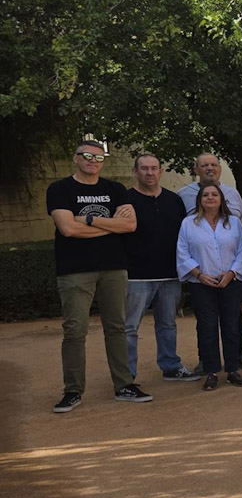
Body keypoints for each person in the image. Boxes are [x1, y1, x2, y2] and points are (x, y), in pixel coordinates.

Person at [47, 140, 149, 413]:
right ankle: (73, 391)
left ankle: (124, 385)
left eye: (99, 156)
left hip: (114, 268)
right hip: (74, 271)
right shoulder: (60, 189)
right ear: (76, 158)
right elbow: (67, 229)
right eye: (87, 155)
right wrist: (111, 226)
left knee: (116, 327)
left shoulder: (115, 189)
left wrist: (88, 220)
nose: (93, 160)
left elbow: (130, 225)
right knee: (75, 331)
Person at [177, 152, 242, 370]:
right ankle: (207, 362)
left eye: (213, 164)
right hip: (201, 274)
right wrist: (198, 273)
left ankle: (238, 356)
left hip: (229, 274)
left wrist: (231, 272)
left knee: (232, 320)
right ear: (196, 169)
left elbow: (239, 239)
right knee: (206, 323)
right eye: (204, 165)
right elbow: (182, 244)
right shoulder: (183, 196)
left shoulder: (234, 194)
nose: (209, 168)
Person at [124, 153, 197, 382]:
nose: (149, 173)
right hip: (137, 276)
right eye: (144, 168)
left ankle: (170, 366)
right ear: (135, 171)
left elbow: (184, 237)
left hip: (169, 274)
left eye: (154, 168)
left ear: (161, 171)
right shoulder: (125, 200)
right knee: (130, 327)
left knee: (167, 324)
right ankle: (126, 375)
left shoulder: (174, 200)